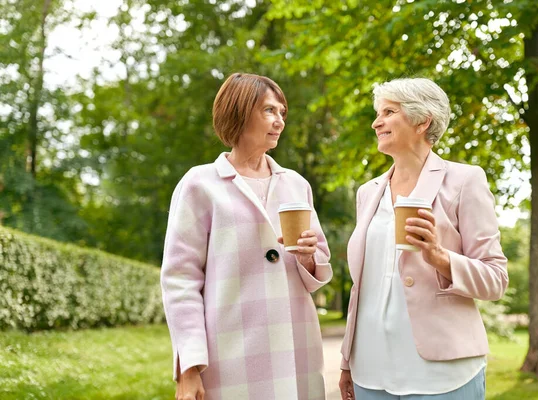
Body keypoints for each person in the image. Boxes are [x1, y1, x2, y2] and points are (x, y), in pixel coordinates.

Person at [161, 72, 333, 400]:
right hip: (231, 358)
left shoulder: (296, 184)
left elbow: (318, 273)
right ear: (239, 111)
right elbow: (180, 281)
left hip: (296, 352)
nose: (279, 121)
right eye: (269, 110)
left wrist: (309, 257)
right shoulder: (200, 184)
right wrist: (189, 367)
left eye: (282, 113)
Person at [338, 78, 508, 400]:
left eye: (388, 112)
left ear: (422, 121)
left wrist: (440, 257)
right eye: (378, 113)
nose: (376, 122)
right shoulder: (367, 193)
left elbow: (495, 278)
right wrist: (348, 361)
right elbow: (362, 286)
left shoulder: (465, 181)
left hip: (441, 374)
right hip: (370, 372)